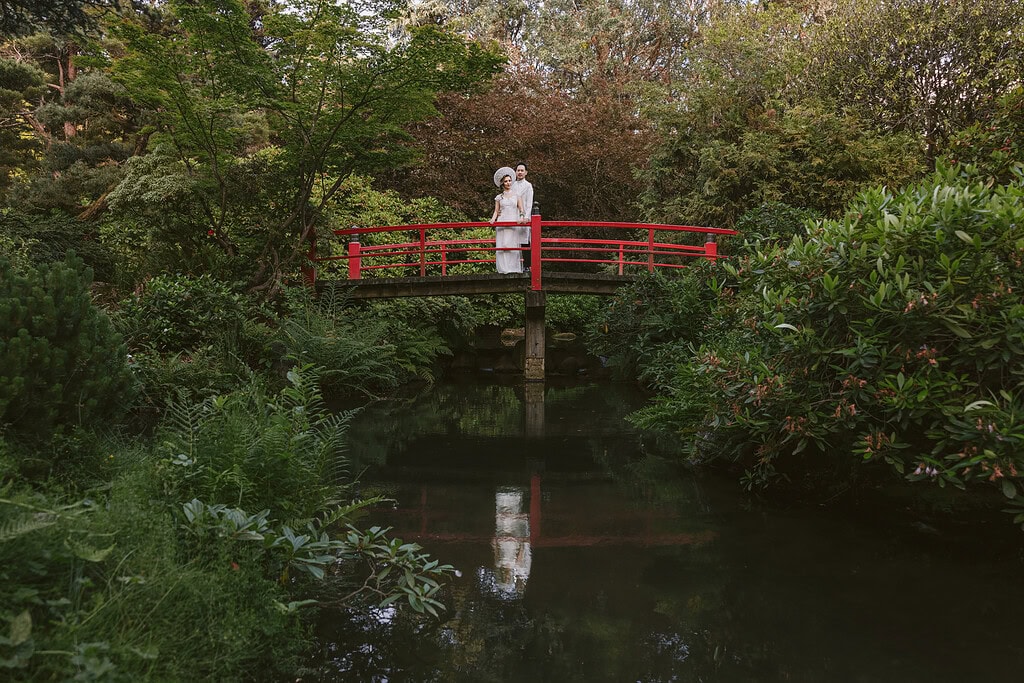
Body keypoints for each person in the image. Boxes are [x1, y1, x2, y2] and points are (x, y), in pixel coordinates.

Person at [489, 167, 525, 274]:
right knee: (503, 244)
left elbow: (521, 209)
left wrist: (521, 217)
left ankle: (513, 268)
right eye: (506, 181)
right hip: (502, 221)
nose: (508, 183)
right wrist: (493, 219)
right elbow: (496, 211)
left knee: (511, 244)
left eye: (509, 180)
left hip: (513, 221)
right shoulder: (499, 197)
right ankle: (504, 268)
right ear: (502, 183)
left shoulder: (517, 195)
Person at [512, 162, 534, 270]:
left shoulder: (528, 186)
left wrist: (526, 217)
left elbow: (529, 203)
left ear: (526, 172)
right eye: (518, 170)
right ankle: (513, 265)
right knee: (512, 240)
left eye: (522, 170)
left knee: (525, 241)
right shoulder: (512, 185)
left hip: (524, 215)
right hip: (513, 214)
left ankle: (527, 265)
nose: (520, 172)